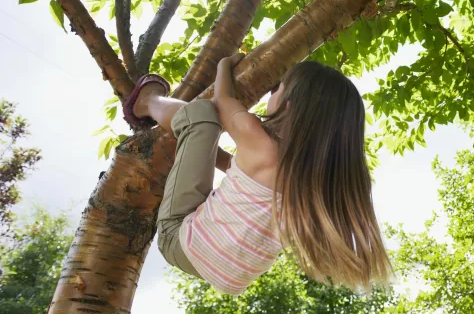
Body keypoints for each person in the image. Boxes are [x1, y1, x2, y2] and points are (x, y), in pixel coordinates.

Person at [122, 54, 392, 294]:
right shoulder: (316, 180)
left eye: (277, 89)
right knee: (209, 142)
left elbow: (221, 101)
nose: (270, 94)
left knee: (201, 116)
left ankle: (146, 102)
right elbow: (245, 182)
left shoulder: (259, 142)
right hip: (231, 275)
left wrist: (223, 64)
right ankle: (178, 132)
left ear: (288, 106)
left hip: (178, 238)